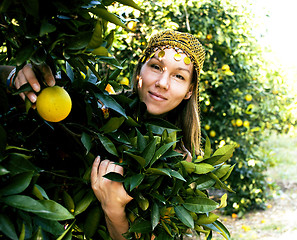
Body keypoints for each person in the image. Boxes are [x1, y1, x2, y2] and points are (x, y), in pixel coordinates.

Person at [0, 30, 205, 239]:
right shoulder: (98, 106)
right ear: (139, 71)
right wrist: (17, 76)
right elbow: (9, 75)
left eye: (179, 76)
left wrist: (114, 210)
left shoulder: (181, 163)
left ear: (190, 90)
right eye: (155, 67)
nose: (163, 82)